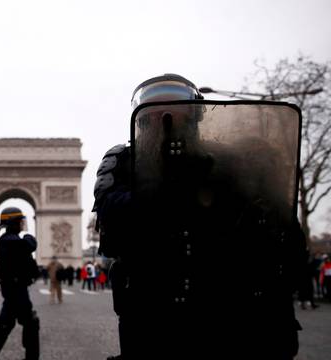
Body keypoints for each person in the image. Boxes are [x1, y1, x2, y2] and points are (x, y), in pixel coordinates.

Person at [94, 74, 306, 359]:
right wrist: (166, 180)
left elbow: (280, 239)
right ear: (140, 119)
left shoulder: (232, 163)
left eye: (175, 108)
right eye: (153, 110)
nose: (165, 116)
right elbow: (113, 226)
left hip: (228, 313)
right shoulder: (123, 162)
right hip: (152, 317)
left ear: (196, 114)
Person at [0, 207, 39, 360]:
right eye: (20, 222)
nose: (22, 225)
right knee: (29, 323)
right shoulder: (10, 240)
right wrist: (29, 237)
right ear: (12, 223)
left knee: (5, 324)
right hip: (16, 289)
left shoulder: (9, 240)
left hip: (14, 288)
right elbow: (30, 245)